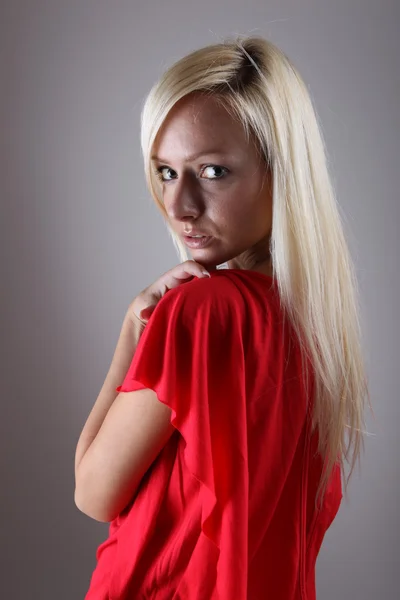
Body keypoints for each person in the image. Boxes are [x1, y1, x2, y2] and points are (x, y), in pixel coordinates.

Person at [74, 35, 371, 599]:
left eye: (212, 172)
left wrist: (131, 334)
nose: (180, 205)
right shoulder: (314, 325)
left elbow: (92, 493)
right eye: (165, 172)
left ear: (280, 170)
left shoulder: (202, 311)